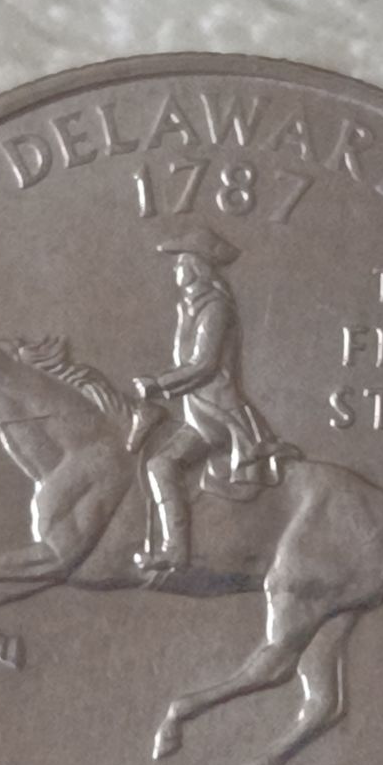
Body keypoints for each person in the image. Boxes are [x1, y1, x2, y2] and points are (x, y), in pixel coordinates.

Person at [132, 225, 299, 572]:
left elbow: (204, 364)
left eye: (181, 263)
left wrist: (158, 384)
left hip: (217, 414)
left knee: (161, 465)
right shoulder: (194, 306)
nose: (176, 269)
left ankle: (175, 550)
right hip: (199, 410)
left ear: (197, 266)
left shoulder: (215, 308)